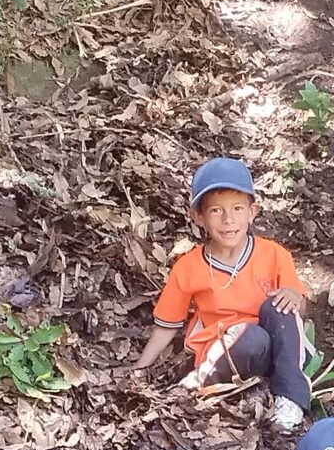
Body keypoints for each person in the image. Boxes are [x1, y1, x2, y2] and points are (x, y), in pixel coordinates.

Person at [131, 158, 315, 431]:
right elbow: (166, 325)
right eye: (216, 210)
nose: (228, 220)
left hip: (276, 350)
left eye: (237, 208)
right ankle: (198, 383)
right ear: (199, 217)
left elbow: (296, 310)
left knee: (278, 307)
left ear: (252, 211)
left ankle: (290, 400)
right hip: (227, 351)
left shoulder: (274, 255)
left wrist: (295, 297)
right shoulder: (188, 266)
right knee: (249, 336)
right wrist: (139, 370)